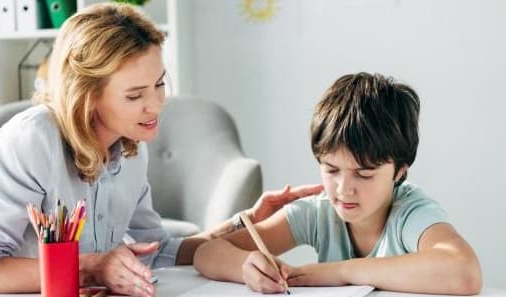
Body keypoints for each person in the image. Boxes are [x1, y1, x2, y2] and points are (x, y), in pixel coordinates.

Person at [0, 3, 323, 297]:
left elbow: (156, 251)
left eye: (159, 84)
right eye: (134, 95)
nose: (156, 105)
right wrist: (95, 267)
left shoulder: (130, 150)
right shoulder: (31, 142)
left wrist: (242, 223)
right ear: (86, 95)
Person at [194, 72, 482, 295]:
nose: (344, 189)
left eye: (364, 174)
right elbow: (207, 253)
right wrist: (247, 267)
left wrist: (339, 272)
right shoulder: (317, 212)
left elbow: (464, 271)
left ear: (399, 171)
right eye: (331, 170)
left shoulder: (410, 212)